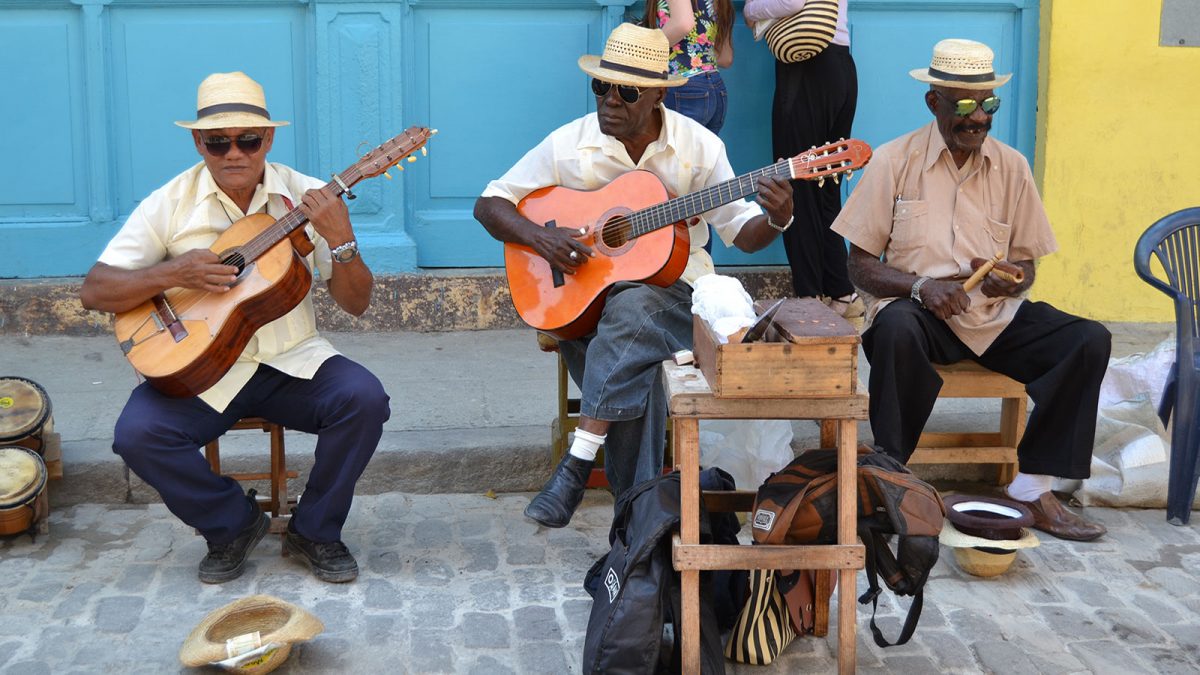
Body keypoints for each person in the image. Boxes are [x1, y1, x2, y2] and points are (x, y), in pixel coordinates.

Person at [474, 24, 793, 528]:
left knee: (635, 306)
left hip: (676, 299)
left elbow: (741, 231)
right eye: (601, 87)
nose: (609, 102)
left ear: (659, 95)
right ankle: (637, 527)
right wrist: (544, 240)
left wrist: (776, 218)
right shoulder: (569, 142)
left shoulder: (699, 147)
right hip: (585, 308)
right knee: (635, 363)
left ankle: (580, 465)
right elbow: (490, 203)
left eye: (625, 92)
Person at [79, 72, 390, 583]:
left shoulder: (308, 197)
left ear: (268, 138)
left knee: (364, 399)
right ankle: (232, 524)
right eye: (217, 141)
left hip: (292, 361)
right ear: (198, 141)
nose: (234, 153)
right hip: (204, 370)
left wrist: (343, 239)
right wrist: (175, 272)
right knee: (136, 434)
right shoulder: (171, 202)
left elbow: (357, 305)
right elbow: (95, 290)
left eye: (248, 139)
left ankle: (314, 530)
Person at [831, 39, 1110, 541]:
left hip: (991, 317)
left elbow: (1026, 263)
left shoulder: (1013, 167)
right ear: (932, 102)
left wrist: (1014, 278)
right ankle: (892, 480)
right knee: (893, 329)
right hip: (921, 315)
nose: (977, 117)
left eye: (988, 104)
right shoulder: (894, 161)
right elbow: (859, 266)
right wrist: (920, 286)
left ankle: (1030, 488)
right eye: (962, 104)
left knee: (1088, 340)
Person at [744, 0, 860, 317]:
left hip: (807, 69)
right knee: (827, 185)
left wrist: (751, 10)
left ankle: (810, 299)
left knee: (794, 184)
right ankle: (841, 291)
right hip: (840, 64)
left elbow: (792, 1)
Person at [646, 0, 735, 135]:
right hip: (716, 89)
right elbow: (725, 57)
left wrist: (642, 49)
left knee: (676, 154)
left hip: (683, 86)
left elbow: (683, 24)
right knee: (702, 155)